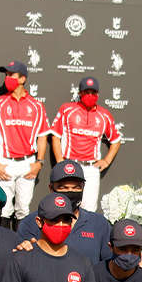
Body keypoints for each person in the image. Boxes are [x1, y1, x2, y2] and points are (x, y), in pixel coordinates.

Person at [0, 59, 50, 230]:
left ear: (23, 78)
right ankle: (4, 250)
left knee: (23, 209)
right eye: (6, 75)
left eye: (11, 75)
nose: (7, 78)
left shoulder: (36, 106)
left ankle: (21, 249)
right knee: (4, 209)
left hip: (27, 162)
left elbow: (42, 136)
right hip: (5, 162)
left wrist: (39, 162)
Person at [50, 76, 121, 212]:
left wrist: (106, 161)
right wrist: (60, 161)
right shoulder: (67, 109)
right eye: (86, 92)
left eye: (93, 93)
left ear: (98, 94)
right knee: (63, 208)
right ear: (80, 93)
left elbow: (116, 141)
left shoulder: (104, 115)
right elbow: (55, 136)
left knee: (89, 210)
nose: (90, 95)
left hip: (90, 168)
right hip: (70, 165)